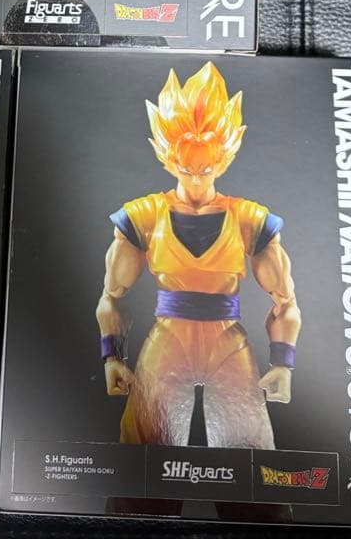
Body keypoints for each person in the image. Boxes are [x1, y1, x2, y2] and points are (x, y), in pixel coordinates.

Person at [97, 62, 301, 448]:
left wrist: (283, 363)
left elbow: (285, 302)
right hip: (168, 340)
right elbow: (111, 296)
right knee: (145, 448)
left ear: (223, 157)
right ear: (167, 156)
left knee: (248, 450)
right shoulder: (144, 215)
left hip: (226, 342)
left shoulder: (248, 218)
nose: (194, 177)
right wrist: (111, 356)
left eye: (204, 167)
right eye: (185, 166)